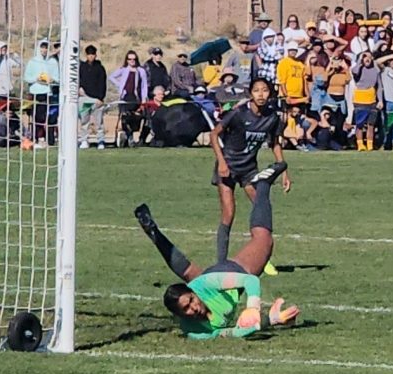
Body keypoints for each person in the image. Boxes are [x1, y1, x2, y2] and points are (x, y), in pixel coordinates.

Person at [133, 168, 300, 340]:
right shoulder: (193, 330)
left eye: (191, 300)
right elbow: (230, 333)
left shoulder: (204, 285)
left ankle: (263, 184)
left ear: (194, 292)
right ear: (179, 315)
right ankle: (153, 231)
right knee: (189, 271)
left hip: (230, 272)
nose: (194, 308)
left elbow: (250, 280)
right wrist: (272, 320)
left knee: (264, 238)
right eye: (186, 309)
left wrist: (252, 307)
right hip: (212, 282)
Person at [208, 77, 291, 268]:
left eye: (265, 90)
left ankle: (261, 257)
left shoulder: (272, 117)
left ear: (270, 94)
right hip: (228, 166)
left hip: (249, 169)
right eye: (257, 91)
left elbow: (275, 144)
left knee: (261, 211)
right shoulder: (238, 114)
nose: (261, 94)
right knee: (228, 214)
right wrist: (221, 162)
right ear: (250, 94)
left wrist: (284, 170)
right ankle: (221, 263)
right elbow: (214, 134)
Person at [25, 38, 60, 147]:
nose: (44, 50)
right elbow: (27, 78)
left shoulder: (52, 62)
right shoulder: (32, 61)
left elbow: (57, 78)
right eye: (42, 47)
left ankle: (50, 140)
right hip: (36, 93)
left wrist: (52, 80)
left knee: (51, 117)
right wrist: (37, 78)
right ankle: (37, 138)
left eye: (45, 47)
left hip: (49, 93)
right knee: (38, 117)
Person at [109, 50, 148, 147]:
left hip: (136, 98)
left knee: (135, 118)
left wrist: (144, 98)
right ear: (127, 60)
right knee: (125, 118)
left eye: (134, 59)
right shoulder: (123, 70)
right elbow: (111, 77)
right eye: (130, 59)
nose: (132, 61)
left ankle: (131, 137)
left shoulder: (141, 71)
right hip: (125, 97)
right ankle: (127, 137)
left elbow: (144, 86)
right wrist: (121, 86)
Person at [78, 44, 108, 149]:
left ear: (95, 55)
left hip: (96, 100)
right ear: (86, 55)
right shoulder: (82, 67)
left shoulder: (100, 68)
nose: (91, 56)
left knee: (99, 121)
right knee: (84, 121)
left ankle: (100, 141)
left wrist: (101, 98)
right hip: (85, 98)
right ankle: (84, 140)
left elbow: (103, 84)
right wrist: (79, 88)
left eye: (93, 54)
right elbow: (78, 80)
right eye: (89, 54)